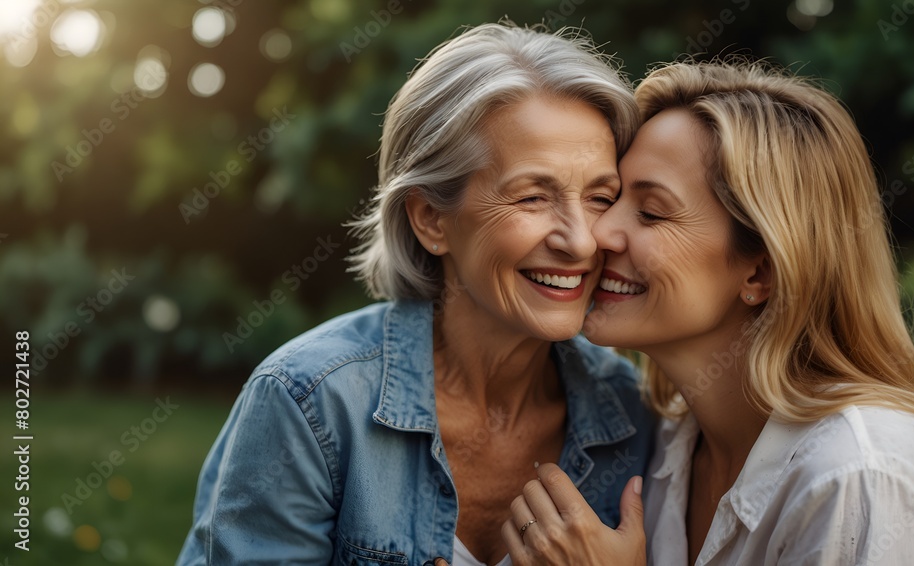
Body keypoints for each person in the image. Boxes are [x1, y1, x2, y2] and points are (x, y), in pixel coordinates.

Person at [177, 22, 656, 566]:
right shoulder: (311, 401)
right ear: (431, 219)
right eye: (532, 197)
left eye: (600, 197)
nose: (581, 241)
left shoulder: (630, 411)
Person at [502, 59, 914, 565]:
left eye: (651, 213)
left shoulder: (860, 475)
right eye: (609, 199)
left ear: (760, 272)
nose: (597, 235)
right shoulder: (665, 447)